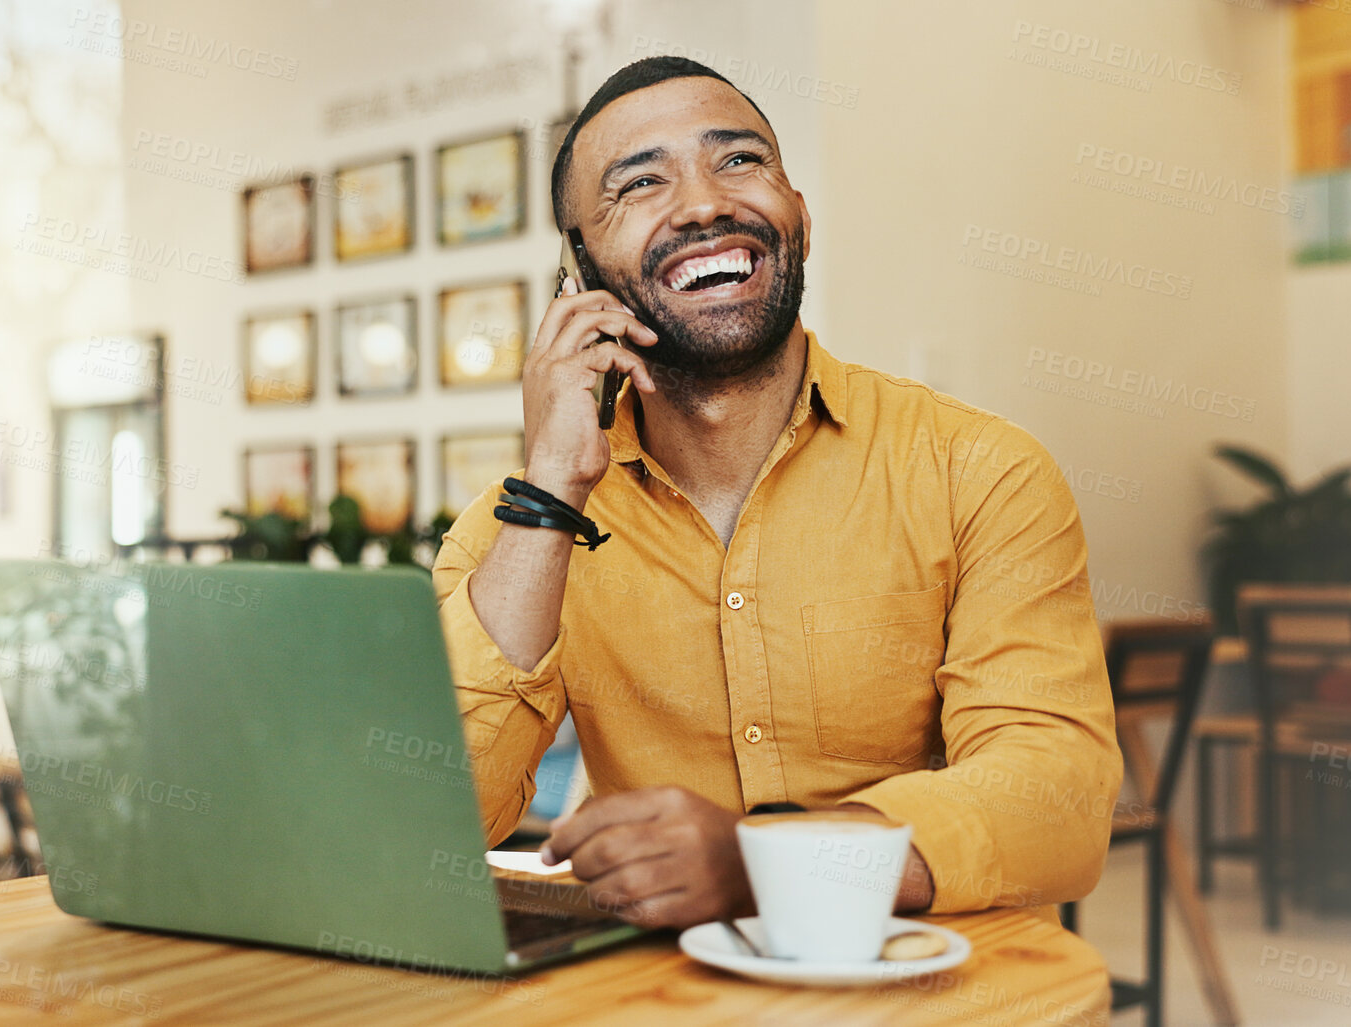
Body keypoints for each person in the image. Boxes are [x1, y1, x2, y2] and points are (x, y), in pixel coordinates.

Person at [431, 57, 1121, 930]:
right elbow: (431, 822)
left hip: (930, 989)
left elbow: (1053, 795)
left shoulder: (982, 470)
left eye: (740, 161)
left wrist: (769, 864)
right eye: (640, 183)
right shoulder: (520, 520)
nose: (703, 203)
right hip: (659, 997)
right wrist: (550, 496)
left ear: (798, 216)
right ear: (579, 275)